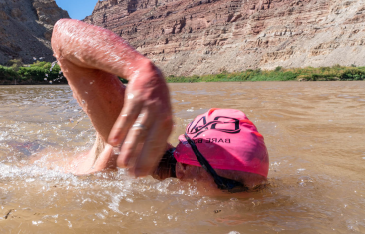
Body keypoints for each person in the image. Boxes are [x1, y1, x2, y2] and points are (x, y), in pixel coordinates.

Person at [52, 19, 269, 192]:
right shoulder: (129, 144)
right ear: (184, 168)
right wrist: (139, 69)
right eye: (231, 187)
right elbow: (62, 34)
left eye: (259, 189)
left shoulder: (175, 168)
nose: (248, 200)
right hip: (37, 160)